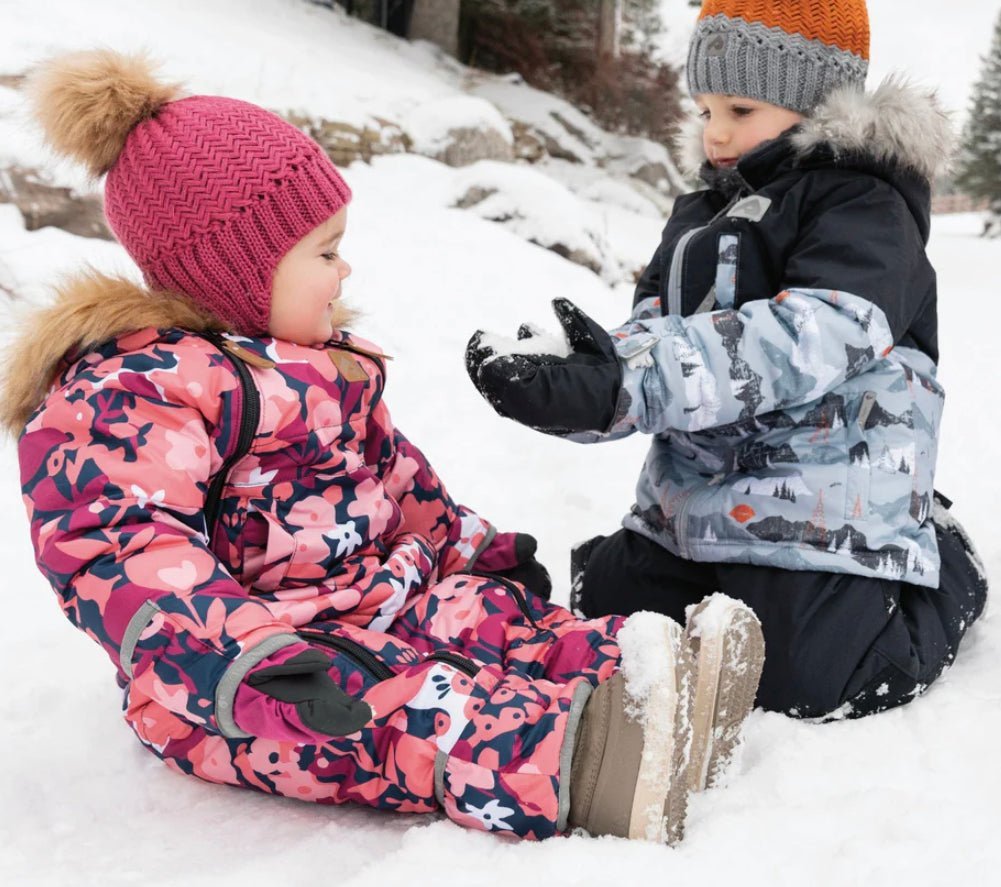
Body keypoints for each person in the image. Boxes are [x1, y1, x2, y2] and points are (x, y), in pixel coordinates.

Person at [1, 49, 764, 845]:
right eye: (323, 253)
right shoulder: (136, 392)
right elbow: (119, 547)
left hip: (377, 602)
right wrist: (249, 658)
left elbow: (401, 484)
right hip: (257, 678)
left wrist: (479, 551)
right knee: (413, 708)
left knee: (485, 616)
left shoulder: (324, 369)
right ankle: (592, 758)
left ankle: (648, 674)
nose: (344, 269)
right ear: (233, 272)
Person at [466, 0, 988, 720]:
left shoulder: (862, 205)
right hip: (693, 503)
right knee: (610, 617)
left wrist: (632, 381)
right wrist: (585, 385)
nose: (713, 131)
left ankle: (942, 564)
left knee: (807, 679)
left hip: (820, 508)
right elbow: (652, 340)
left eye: (738, 108)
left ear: (818, 102)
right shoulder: (699, 215)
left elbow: (812, 335)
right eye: (703, 106)